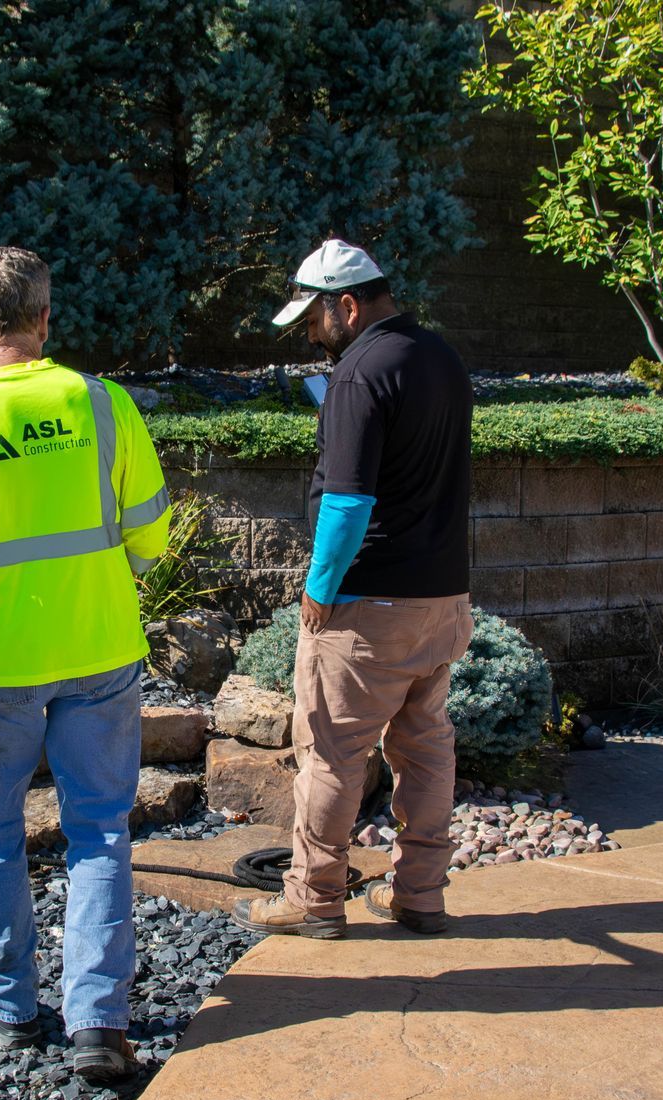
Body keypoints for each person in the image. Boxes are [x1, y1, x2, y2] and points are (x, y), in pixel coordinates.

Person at [0, 246, 172, 1082]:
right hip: (102, 655)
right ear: (46, 320)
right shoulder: (101, 404)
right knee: (100, 830)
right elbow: (152, 538)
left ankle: (10, 1003)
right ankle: (98, 1019)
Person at [233, 238, 474, 940]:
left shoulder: (359, 373)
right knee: (426, 749)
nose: (310, 334)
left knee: (332, 753)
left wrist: (319, 585)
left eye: (313, 318)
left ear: (347, 304)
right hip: (443, 598)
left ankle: (313, 899)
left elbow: (345, 503)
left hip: (369, 603)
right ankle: (421, 895)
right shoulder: (441, 358)